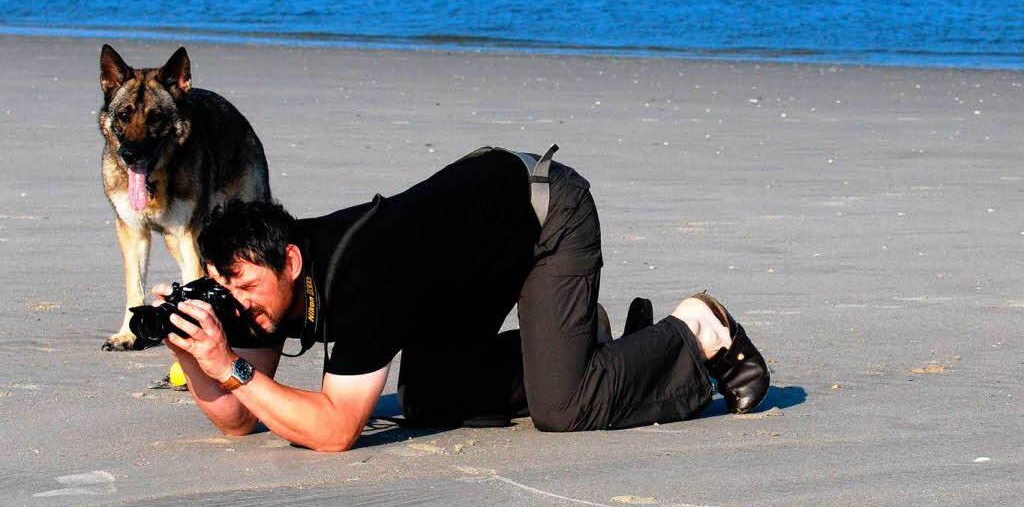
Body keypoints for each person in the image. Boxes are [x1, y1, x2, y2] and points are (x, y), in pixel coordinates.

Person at [156, 146, 769, 451]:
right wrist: (192, 348)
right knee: (428, 400)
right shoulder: (263, 283)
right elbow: (242, 417)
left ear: (290, 260)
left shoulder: (363, 273)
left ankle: (697, 330)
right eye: (226, 287)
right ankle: (579, 339)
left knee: (563, 407)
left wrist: (229, 365)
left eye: (245, 286)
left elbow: (337, 429)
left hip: (544, 214)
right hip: (466, 265)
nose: (240, 303)